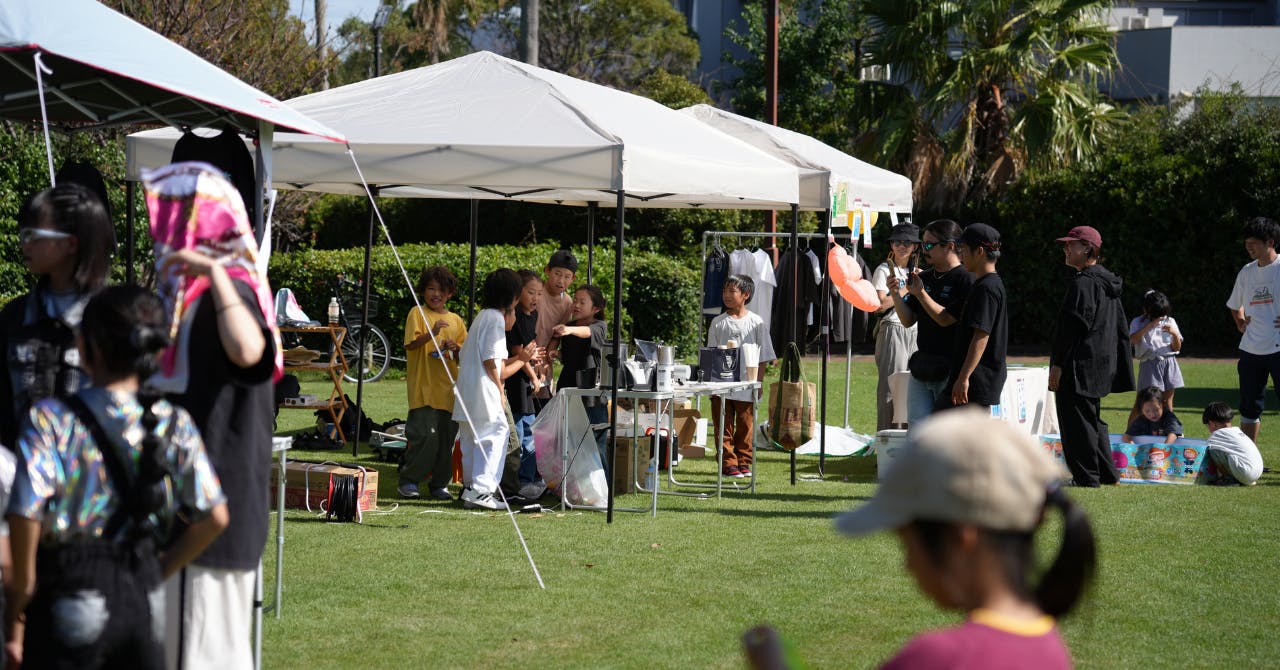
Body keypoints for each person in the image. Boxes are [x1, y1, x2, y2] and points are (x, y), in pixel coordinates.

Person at [4, 286, 229, 670]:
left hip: (68, 592)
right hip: (143, 598)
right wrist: (160, 570)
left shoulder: (49, 419)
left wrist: (21, 595)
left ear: (86, 346)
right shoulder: (174, 422)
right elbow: (215, 517)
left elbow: (26, 511)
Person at [144, 162, 281, 670]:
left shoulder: (234, 291)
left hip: (211, 515)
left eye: (175, 218)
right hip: (190, 509)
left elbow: (248, 352)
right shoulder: (185, 297)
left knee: (202, 654)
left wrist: (216, 273)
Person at [835, 410, 1097, 670]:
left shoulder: (933, 658)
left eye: (907, 544)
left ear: (963, 538)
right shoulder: (1051, 649)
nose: (908, 565)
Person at [0, 183, 114, 448]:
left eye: (32, 234)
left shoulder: (112, 317)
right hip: (22, 465)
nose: (24, 243)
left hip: (91, 467)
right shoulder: (15, 317)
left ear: (71, 243)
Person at [1048, 225, 1134, 488]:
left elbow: (1071, 328)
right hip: (1099, 363)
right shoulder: (1105, 282)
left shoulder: (1084, 283)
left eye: (1071, 244)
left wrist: (1057, 365)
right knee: (1091, 419)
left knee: (1077, 422)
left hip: (1078, 364)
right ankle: (1107, 474)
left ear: (1087, 248)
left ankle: (1086, 477)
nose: (1066, 248)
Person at [454, 269, 526, 511]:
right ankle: (482, 489)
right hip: (483, 389)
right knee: (495, 433)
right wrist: (500, 387)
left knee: (471, 438)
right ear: (512, 297)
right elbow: (492, 361)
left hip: (467, 388)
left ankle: (470, 488)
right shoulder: (495, 318)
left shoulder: (483, 315)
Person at [890, 219, 972, 429]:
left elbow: (945, 319)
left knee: (945, 432)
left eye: (929, 244)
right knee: (917, 432)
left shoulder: (965, 279)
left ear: (950, 246)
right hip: (922, 368)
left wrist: (921, 293)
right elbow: (908, 320)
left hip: (950, 370)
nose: (923, 250)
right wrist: (895, 294)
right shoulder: (924, 277)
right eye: (923, 244)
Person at [399, 266, 467, 500]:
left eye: (441, 290)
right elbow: (411, 344)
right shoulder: (417, 313)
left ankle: (439, 484)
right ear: (423, 291)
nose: (436, 294)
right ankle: (409, 481)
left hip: (449, 393)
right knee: (425, 437)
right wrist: (432, 333)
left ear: (450, 294)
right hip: (423, 390)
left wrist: (455, 348)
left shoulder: (456, 320)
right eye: (430, 289)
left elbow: (464, 355)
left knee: (446, 441)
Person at [706, 275, 776, 478]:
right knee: (723, 425)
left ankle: (744, 461)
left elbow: (763, 355)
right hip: (721, 384)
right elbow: (710, 353)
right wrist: (711, 384)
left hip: (747, 383)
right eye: (724, 291)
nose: (726, 295)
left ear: (745, 294)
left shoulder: (756, 322)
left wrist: (758, 383)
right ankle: (728, 462)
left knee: (746, 425)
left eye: (732, 291)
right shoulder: (718, 322)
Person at [1226, 216, 1280, 445]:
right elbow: (1234, 304)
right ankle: (1249, 458)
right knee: (1249, 408)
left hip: (1278, 348)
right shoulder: (1247, 272)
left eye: (1254, 242)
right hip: (1250, 350)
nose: (1248, 246)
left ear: (1270, 242)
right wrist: (1240, 322)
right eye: (1246, 242)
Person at [948, 224, 1008, 410]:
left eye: (964, 249)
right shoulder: (982, 284)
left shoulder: (987, 288)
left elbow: (981, 335)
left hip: (976, 381)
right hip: (973, 380)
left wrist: (964, 377)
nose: (961, 256)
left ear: (980, 251)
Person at [871, 223, 920, 430]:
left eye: (907, 242)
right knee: (890, 388)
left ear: (915, 246)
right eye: (897, 241)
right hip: (892, 329)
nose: (901, 246)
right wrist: (907, 289)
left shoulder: (918, 272)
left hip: (915, 331)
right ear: (891, 245)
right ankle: (886, 439)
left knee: (913, 388)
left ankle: (907, 440)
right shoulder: (883, 270)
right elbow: (879, 304)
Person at [553, 285, 610, 463]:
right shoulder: (569, 326)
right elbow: (570, 355)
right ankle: (571, 478)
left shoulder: (599, 326)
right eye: (575, 300)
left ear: (596, 309)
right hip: (568, 387)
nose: (576, 305)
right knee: (568, 439)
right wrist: (557, 354)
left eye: (582, 302)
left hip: (591, 393)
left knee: (596, 441)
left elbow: (587, 333)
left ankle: (601, 477)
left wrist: (568, 330)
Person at [506, 270, 546, 499]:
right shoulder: (515, 317)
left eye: (539, 294)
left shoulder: (533, 315)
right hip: (516, 379)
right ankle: (520, 480)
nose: (535, 298)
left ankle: (529, 478)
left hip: (527, 379)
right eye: (531, 292)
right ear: (518, 292)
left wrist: (538, 364)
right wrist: (533, 376)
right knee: (521, 431)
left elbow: (530, 348)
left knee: (531, 429)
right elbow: (518, 352)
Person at [1128, 289, 1184, 424]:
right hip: (1150, 363)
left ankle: (1170, 430)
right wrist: (1150, 325)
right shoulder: (1137, 322)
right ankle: (1129, 433)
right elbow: (1132, 340)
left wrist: (1174, 333)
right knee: (1142, 402)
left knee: (1167, 402)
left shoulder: (1170, 321)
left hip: (1169, 362)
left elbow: (1177, 348)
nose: (1161, 318)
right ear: (1146, 310)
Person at [534, 250, 578, 402]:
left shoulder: (568, 302)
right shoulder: (536, 293)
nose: (561, 281)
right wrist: (535, 359)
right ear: (547, 270)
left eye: (567, 276)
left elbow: (556, 336)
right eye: (557, 274)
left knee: (543, 403)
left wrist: (547, 359)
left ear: (573, 278)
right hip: (525, 353)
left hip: (543, 359)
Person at [1201, 402, 1264, 486]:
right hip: (1257, 473)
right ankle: (1244, 480)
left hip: (1245, 472)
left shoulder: (1218, 434)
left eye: (1207, 425)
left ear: (1212, 423)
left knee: (1212, 450)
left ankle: (1228, 479)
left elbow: (1204, 449)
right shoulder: (1237, 432)